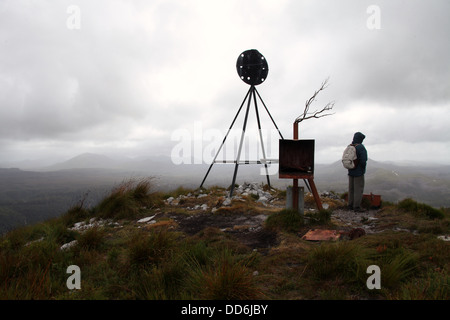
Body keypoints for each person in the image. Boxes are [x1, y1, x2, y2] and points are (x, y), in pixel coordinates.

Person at [348, 132, 368, 212]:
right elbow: (363, 160)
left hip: (351, 170)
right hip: (358, 172)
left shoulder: (350, 146)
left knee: (351, 189)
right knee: (358, 189)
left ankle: (350, 205)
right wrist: (362, 169)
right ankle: (356, 207)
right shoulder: (361, 147)